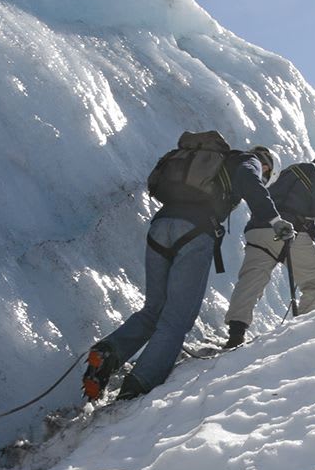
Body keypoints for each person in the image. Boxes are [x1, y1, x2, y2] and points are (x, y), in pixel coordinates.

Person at [84, 134, 284, 401]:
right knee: (177, 318)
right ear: (268, 167)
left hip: (161, 226)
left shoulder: (215, 160)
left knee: (154, 308)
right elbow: (250, 181)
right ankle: (139, 385)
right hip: (195, 232)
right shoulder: (250, 161)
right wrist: (274, 219)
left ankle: (108, 352)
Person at [222, 155, 315, 348]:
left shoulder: (286, 173)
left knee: (252, 279)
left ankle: (236, 332)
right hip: (291, 230)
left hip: (259, 230)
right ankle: (302, 335)